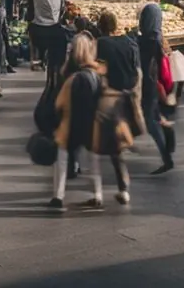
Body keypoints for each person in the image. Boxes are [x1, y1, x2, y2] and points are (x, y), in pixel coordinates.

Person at [54, 34, 129, 210]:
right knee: (93, 158)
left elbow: (59, 102)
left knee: (62, 157)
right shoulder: (97, 72)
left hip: (70, 123)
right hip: (92, 123)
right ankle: (97, 193)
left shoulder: (66, 73)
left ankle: (58, 195)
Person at [137, 0, 173, 175]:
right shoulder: (152, 8)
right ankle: (168, 142)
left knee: (151, 116)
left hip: (149, 68)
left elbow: (153, 37)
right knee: (154, 112)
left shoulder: (151, 9)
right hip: (151, 67)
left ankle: (167, 155)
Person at [29, 0, 67, 74]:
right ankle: (52, 62)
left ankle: (38, 61)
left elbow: (30, 8)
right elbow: (62, 10)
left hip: (38, 25)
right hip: (54, 26)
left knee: (36, 43)